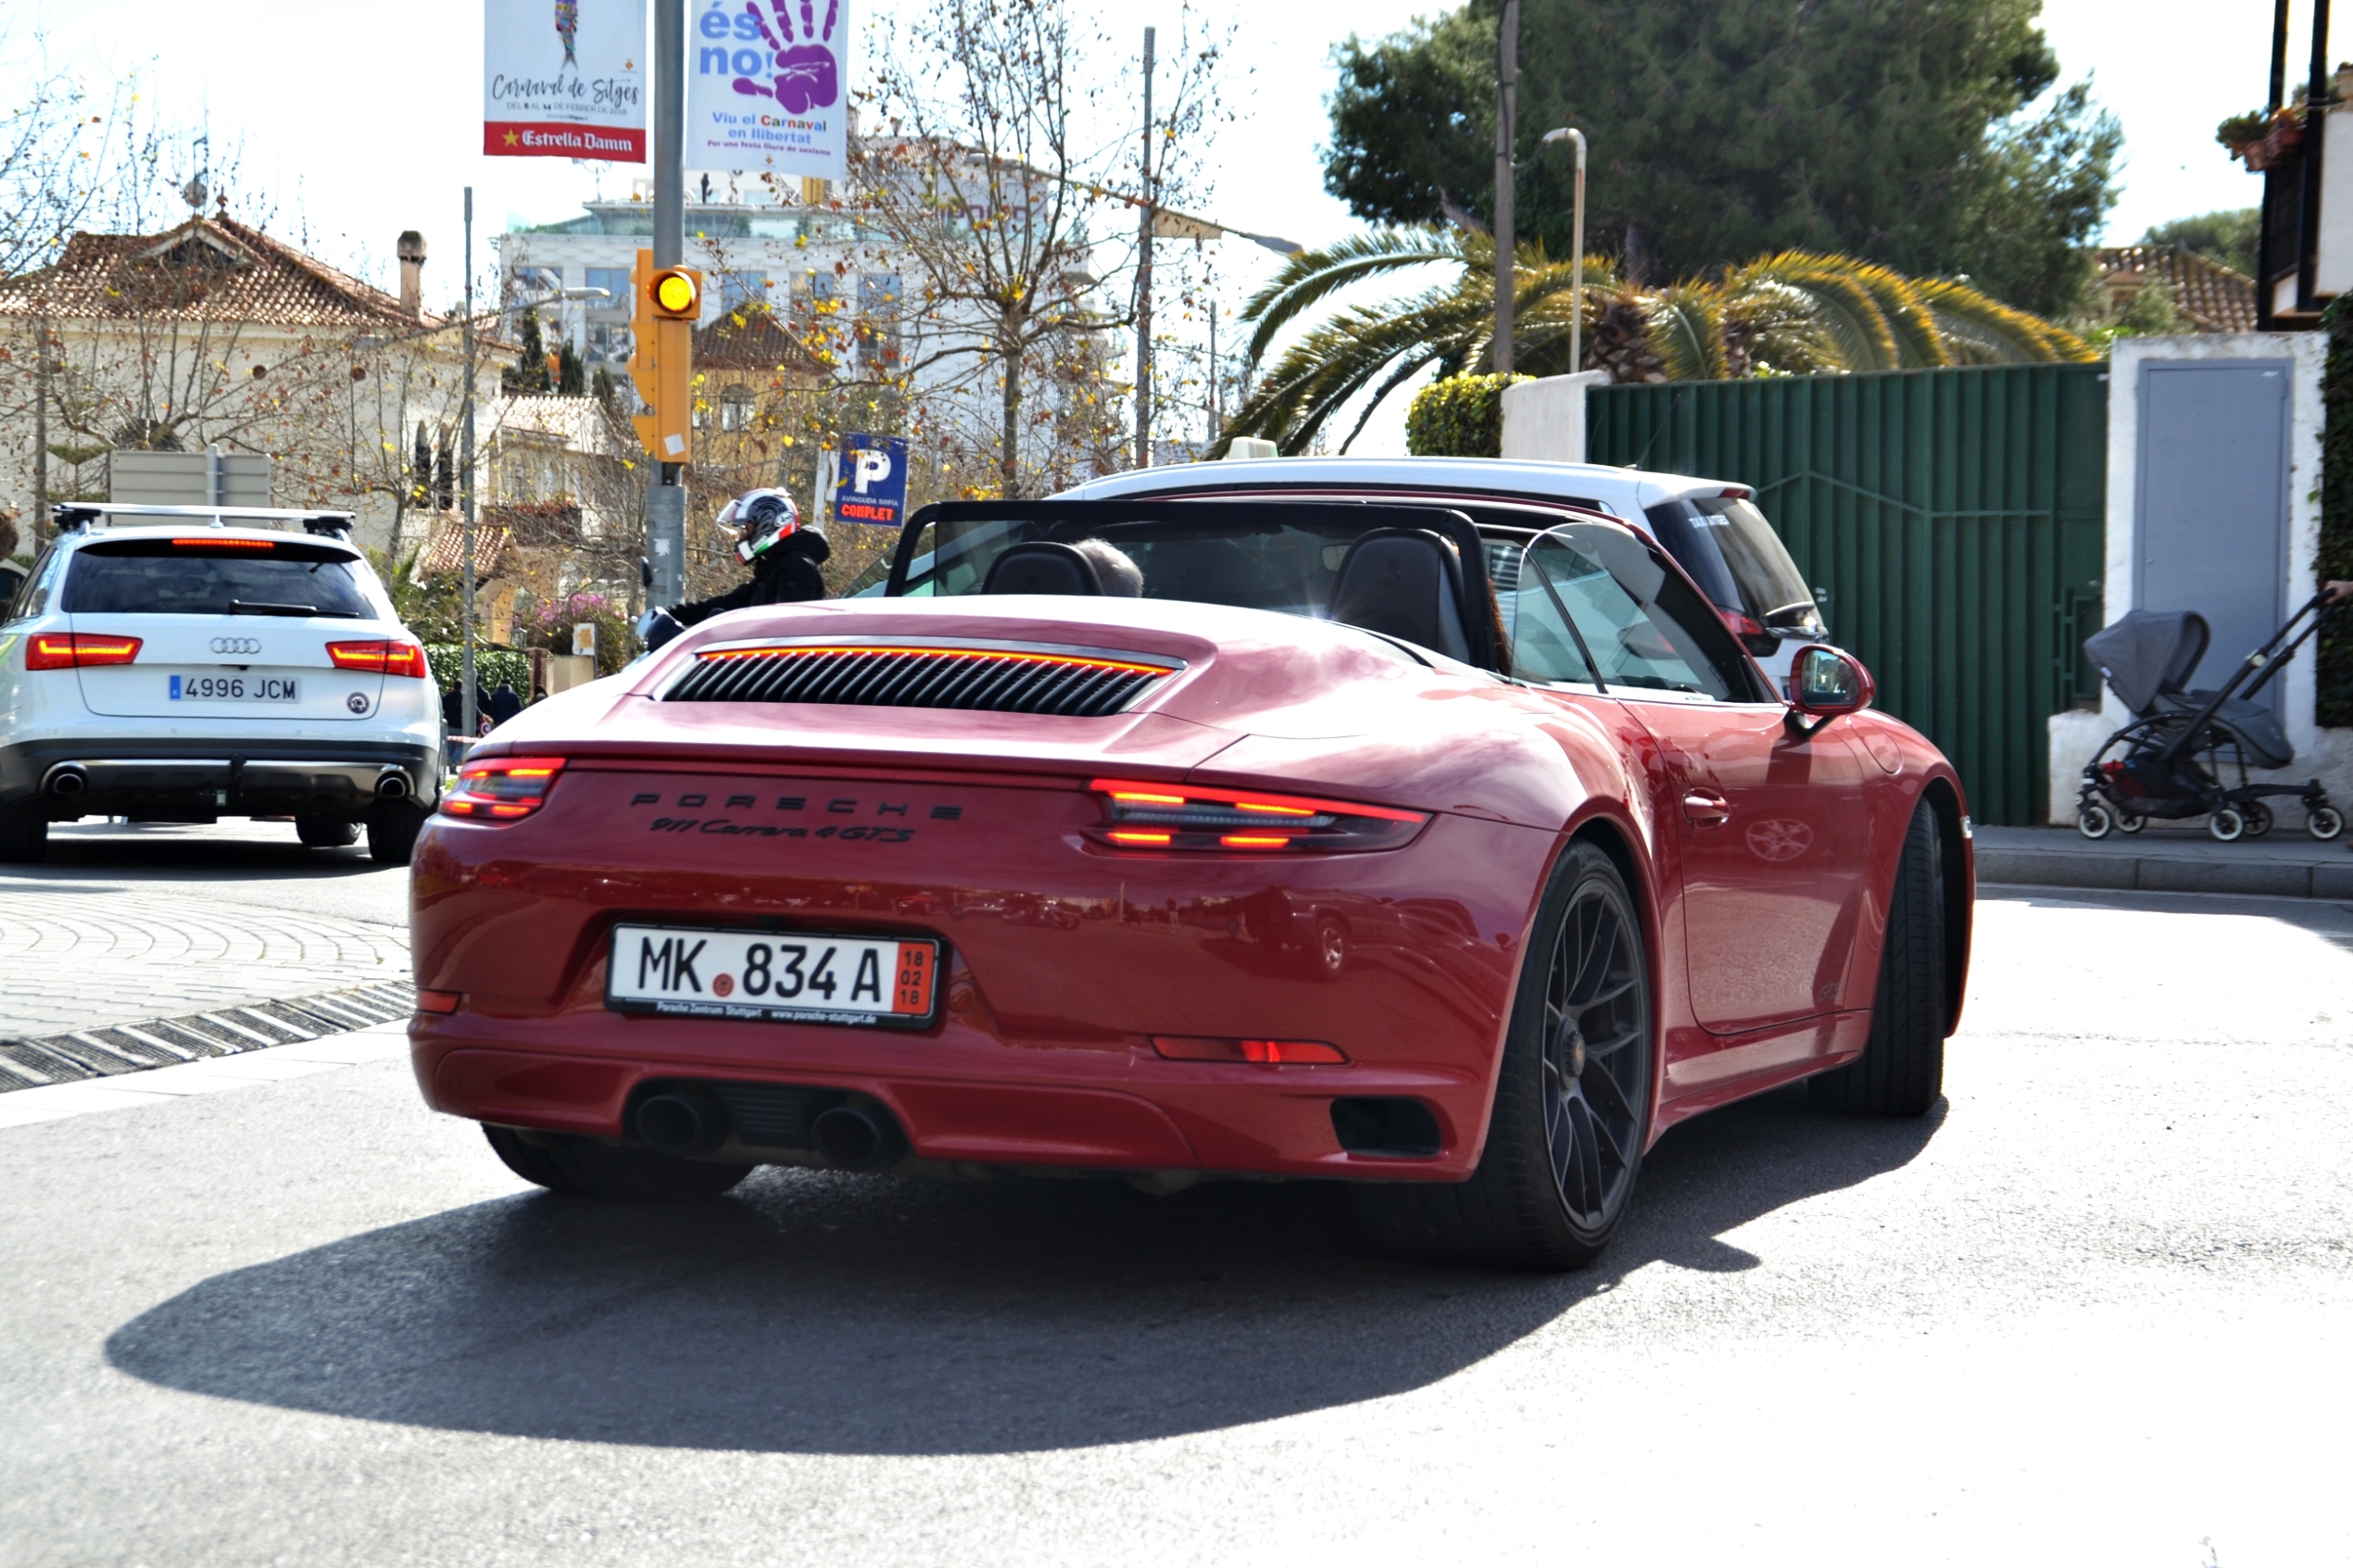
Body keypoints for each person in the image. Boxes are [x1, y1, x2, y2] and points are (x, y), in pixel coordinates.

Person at [640, 488, 829, 652]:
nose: (740, 538)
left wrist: (723, 627)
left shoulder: (797, 566)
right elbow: (730, 602)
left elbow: (786, 627)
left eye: (746, 529)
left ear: (768, 525)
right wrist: (669, 613)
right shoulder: (773, 567)